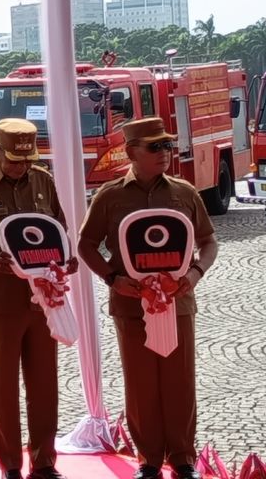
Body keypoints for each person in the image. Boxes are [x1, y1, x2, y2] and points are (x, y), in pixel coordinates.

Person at [77, 118, 218, 479]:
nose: (164, 152)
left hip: (178, 303)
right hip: (131, 305)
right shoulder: (110, 196)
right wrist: (112, 278)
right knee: (140, 385)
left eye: (167, 145)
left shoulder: (185, 192)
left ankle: (183, 458)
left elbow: (208, 240)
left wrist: (194, 274)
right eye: (154, 146)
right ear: (130, 152)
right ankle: (149, 460)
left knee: (179, 381)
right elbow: (86, 244)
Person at [0, 119, 76, 479]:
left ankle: (44, 461)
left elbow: (58, 228)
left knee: (45, 386)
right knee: (3, 387)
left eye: (28, 159)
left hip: (43, 301)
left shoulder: (42, 180)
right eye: (14, 160)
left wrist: (66, 258)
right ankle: (10, 464)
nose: (22, 166)